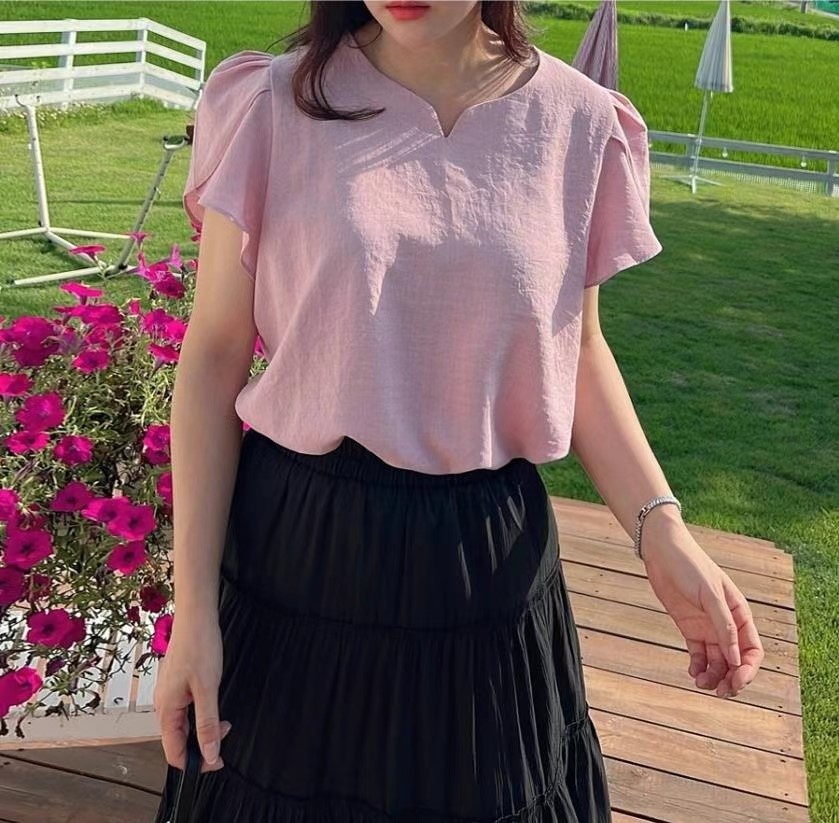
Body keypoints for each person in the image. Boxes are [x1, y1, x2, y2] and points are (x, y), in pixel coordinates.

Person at [153, 2, 766, 821]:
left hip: (485, 571)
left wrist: (663, 530)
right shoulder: (270, 105)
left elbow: (577, 352)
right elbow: (212, 358)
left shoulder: (579, 122)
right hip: (298, 555)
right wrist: (191, 610)